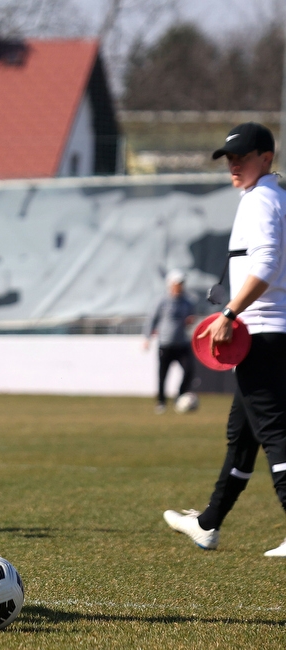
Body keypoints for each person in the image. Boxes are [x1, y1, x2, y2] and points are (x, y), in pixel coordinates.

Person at [163, 122, 286, 557]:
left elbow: (268, 262)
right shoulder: (271, 197)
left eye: (243, 157)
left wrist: (231, 312)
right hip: (270, 335)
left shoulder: (262, 200)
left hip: (265, 334)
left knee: (274, 432)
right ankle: (208, 524)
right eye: (229, 158)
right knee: (243, 435)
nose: (234, 164)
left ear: (266, 158)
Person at [143, 269, 196, 414]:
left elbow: (190, 319)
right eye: (178, 283)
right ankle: (161, 402)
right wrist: (147, 338)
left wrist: (190, 321)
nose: (181, 286)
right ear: (171, 284)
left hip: (182, 343)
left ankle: (180, 396)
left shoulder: (188, 302)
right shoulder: (162, 301)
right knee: (163, 374)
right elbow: (152, 319)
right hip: (166, 343)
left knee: (189, 370)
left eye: (182, 283)